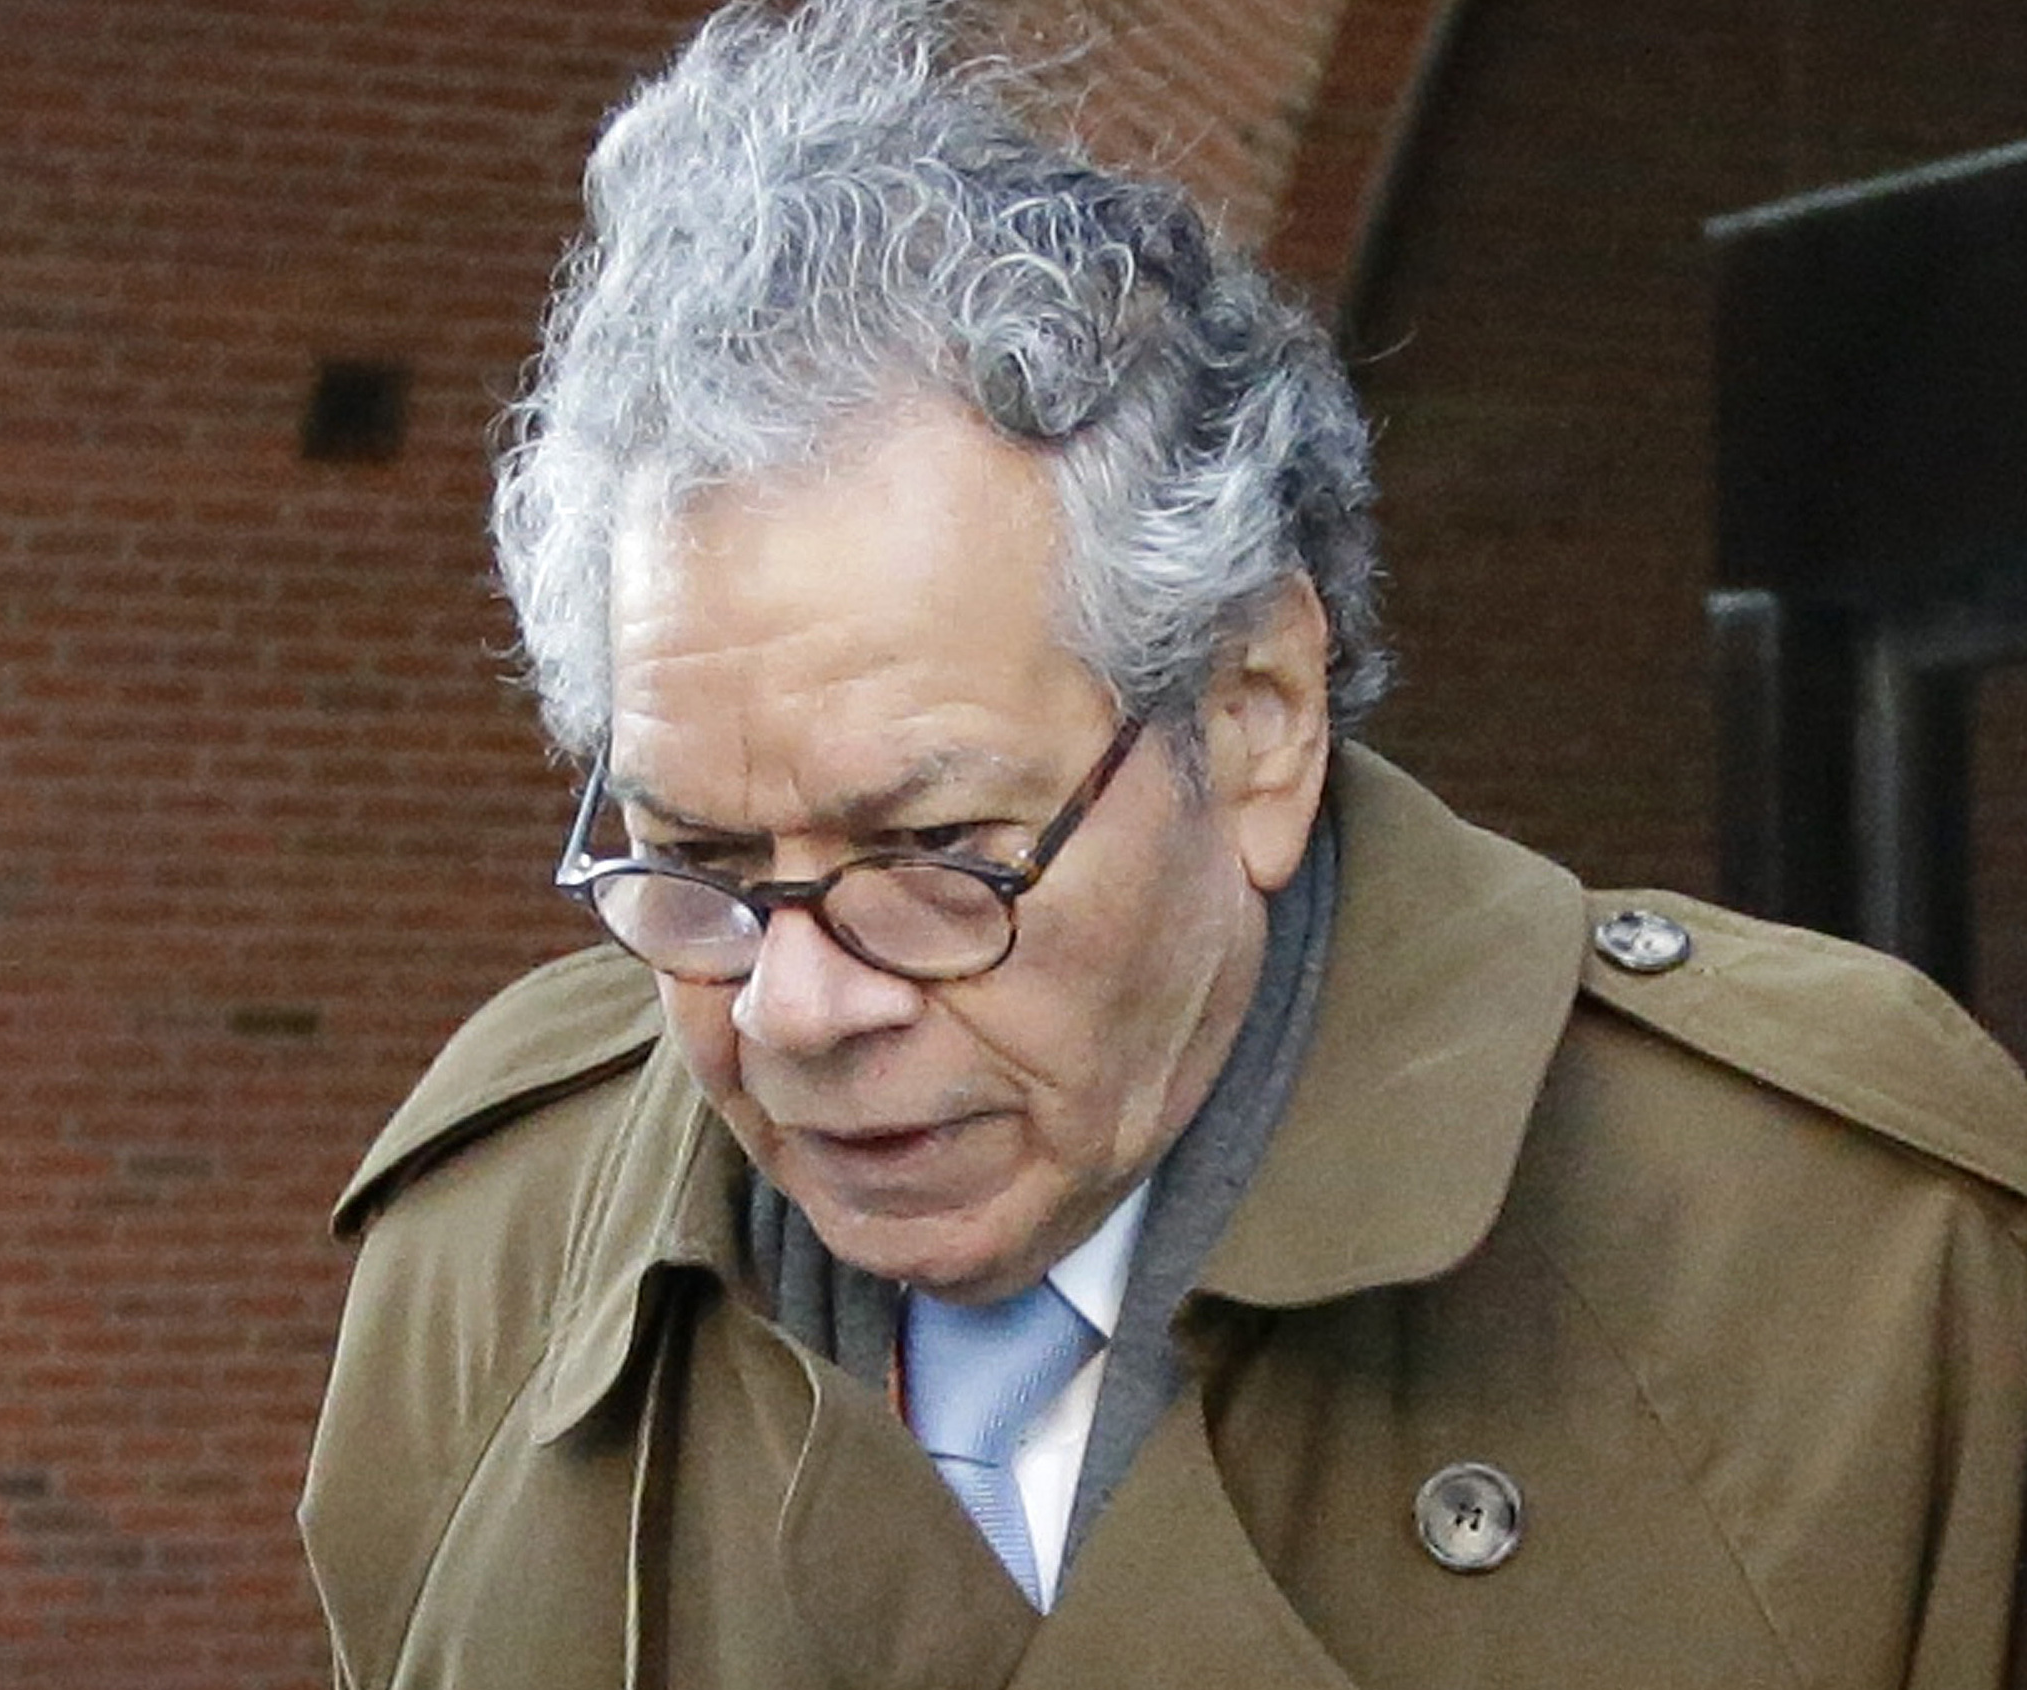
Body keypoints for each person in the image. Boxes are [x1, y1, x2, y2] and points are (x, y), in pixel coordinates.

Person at [298, 1, 2027, 1684]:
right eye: (699, 859)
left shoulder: (1851, 1275)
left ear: (1257, 715)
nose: (795, 1008)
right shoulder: (485, 1255)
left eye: (935, 847)